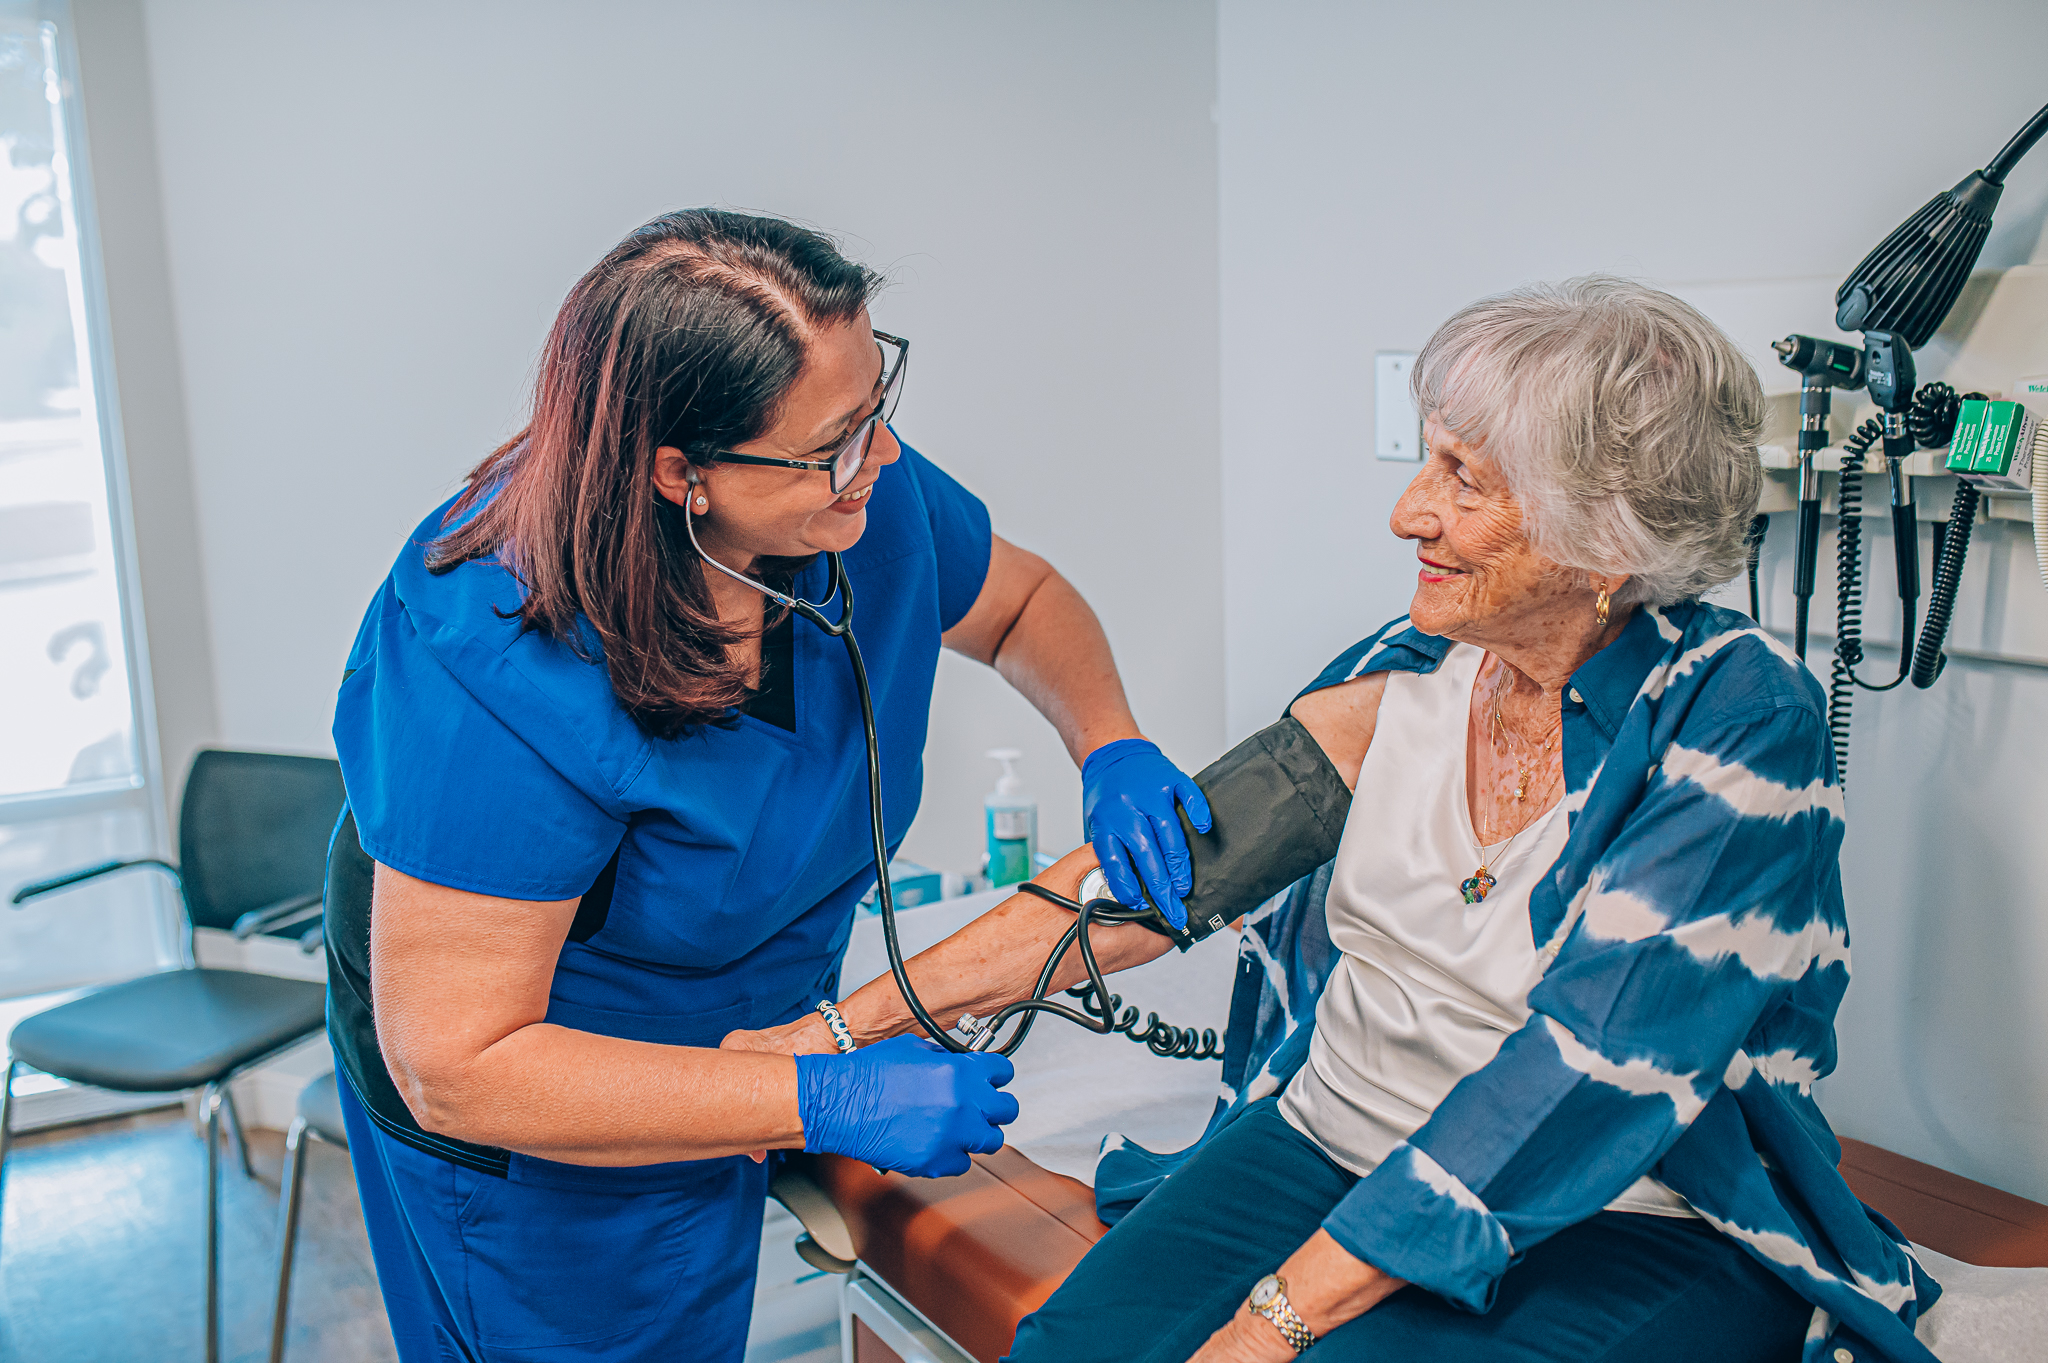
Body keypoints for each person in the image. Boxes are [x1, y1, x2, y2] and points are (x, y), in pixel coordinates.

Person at [739, 278, 1938, 1363]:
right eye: (1426, 461)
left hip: (1617, 1204)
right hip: (1321, 1138)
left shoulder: (1736, 720)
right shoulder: (1409, 665)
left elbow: (1585, 1067)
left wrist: (1266, 1324)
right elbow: (1152, 884)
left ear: (1604, 538)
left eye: (1462, 478)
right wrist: (829, 1034)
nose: (1407, 513)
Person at [323, 208, 1209, 1363]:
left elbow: (1020, 604)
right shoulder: (492, 653)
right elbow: (460, 1067)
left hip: (743, 1015)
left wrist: (1110, 743)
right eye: (836, 442)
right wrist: (818, 1097)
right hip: (545, 1101)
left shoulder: (849, 496)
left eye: (877, 406)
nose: (879, 461)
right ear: (679, 472)